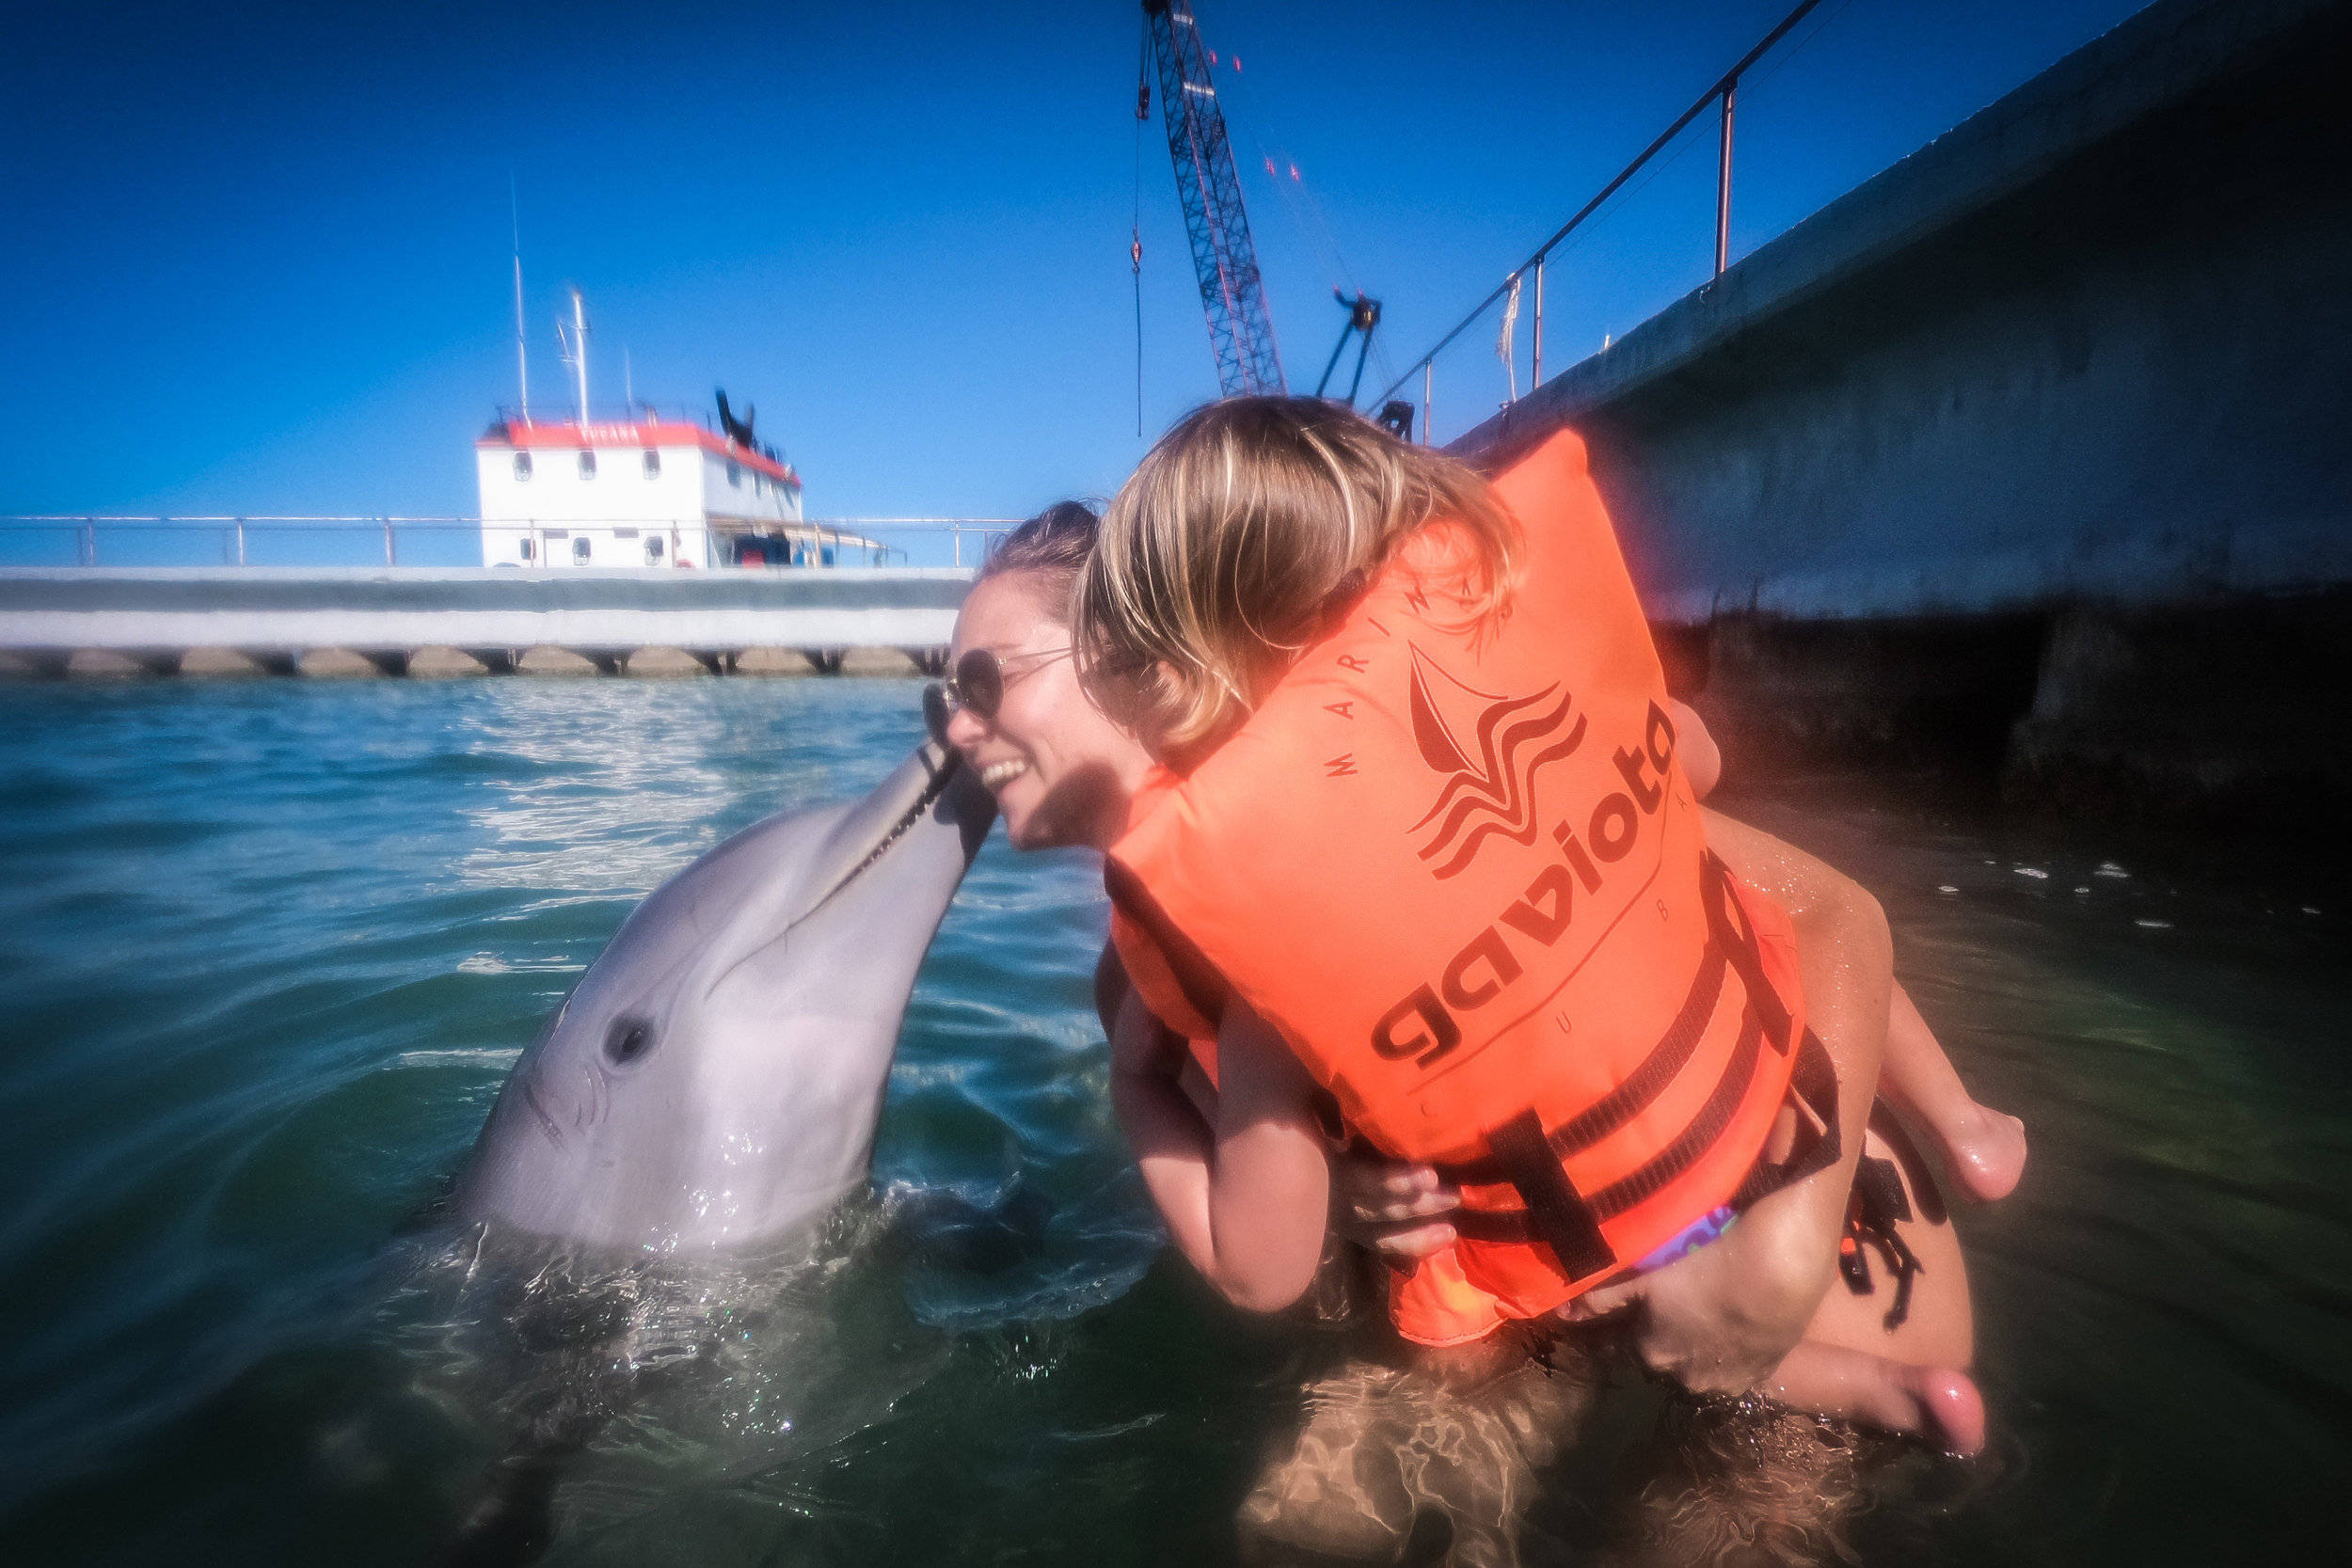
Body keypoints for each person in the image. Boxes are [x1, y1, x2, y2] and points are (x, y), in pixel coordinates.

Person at [939, 493, 2011, 1454]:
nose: (953, 726)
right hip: (1565, 1284)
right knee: (1315, 1519)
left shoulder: (1400, 835)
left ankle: (1875, 1368)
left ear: (1136, 658)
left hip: (1812, 1217)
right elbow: (1297, 1220)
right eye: (940, 698)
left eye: (985, 680)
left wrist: (1785, 1251)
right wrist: (1349, 1205)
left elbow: (1833, 913)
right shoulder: (1133, 988)